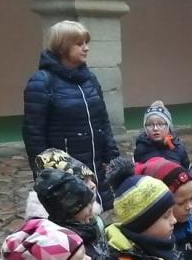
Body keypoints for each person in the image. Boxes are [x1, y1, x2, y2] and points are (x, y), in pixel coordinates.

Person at [21, 20, 119, 204]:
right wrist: (46, 174)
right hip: (65, 170)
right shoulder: (42, 82)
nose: (86, 48)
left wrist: (112, 157)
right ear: (63, 47)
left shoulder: (90, 79)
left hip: (96, 166)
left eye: (86, 43)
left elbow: (103, 121)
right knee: (75, 214)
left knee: (99, 212)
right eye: (79, 44)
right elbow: (34, 133)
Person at [133, 101, 192, 187]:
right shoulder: (141, 149)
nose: (155, 128)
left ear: (169, 126)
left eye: (160, 124)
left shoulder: (178, 148)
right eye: (150, 125)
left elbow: (189, 170)